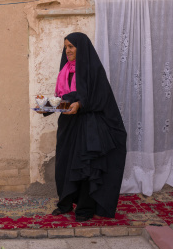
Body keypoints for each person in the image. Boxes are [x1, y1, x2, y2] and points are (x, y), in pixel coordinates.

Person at [42, 32, 127, 222]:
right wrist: (46, 107)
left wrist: (81, 104)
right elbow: (64, 98)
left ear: (82, 47)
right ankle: (65, 203)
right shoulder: (65, 70)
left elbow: (100, 97)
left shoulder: (92, 69)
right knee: (65, 164)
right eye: (66, 47)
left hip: (88, 126)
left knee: (85, 168)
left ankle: (85, 208)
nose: (68, 50)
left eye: (71, 46)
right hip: (68, 126)